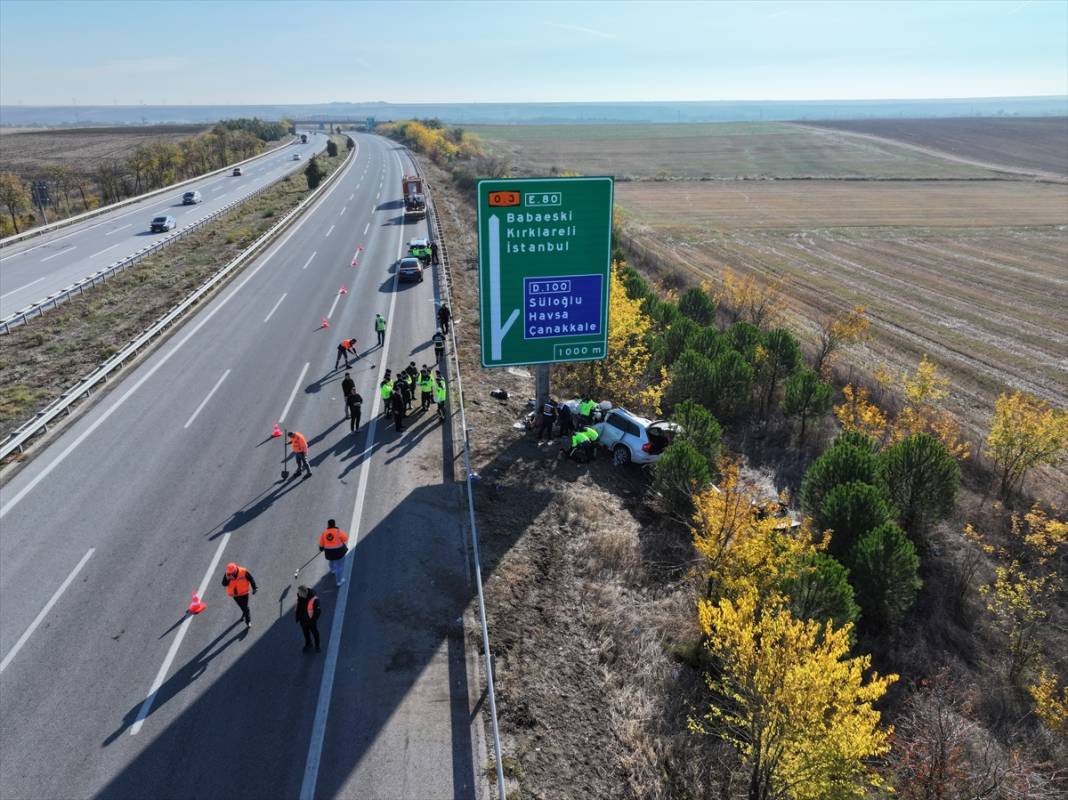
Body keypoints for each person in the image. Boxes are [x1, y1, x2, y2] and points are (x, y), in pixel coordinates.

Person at [222, 562, 257, 629]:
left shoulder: (243, 571)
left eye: (231, 573)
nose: (230, 574)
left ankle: (248, 621)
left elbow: (250, 578)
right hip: (235, 595)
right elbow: (224, 584)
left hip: (244, 593)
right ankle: (244, 613)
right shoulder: (227, 574)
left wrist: (254, 587)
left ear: (235, 571)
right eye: (229, 573)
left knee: (245, 607)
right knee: (242, 607)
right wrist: (228, 579)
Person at [318, 519, 349, 587]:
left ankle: (332, 570)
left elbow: (321, 545)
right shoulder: (338, 532)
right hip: (339, 553)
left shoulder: (324, 533)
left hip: (329, 553)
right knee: (340, 567)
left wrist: (321, 548)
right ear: (334, 524)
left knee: (331, 561)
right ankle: (339, 581)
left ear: (328, 525)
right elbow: (345, 538)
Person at [295, 585, 321, 652]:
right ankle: (308, 644)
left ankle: (317, 646)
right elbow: (299, 606)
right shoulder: (300, 597)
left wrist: (313, 620)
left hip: (311, 621)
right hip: (303, 620)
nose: (298, 594)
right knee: (306, 633)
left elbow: (318, 612)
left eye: (300, 593)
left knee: (315, 633)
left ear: (304, 593)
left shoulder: (314, 599)